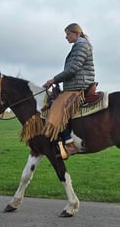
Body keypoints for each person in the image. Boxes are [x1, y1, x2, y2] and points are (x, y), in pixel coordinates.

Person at [42, 23, 95, 158]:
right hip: (75, 85)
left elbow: (72, 70)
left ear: (76, 34)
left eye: (68, 34)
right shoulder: (78, 46)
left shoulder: (81, 46)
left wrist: (53, 80)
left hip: (79, 86)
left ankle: (70, 144)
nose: (66, 37)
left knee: (57, 107)